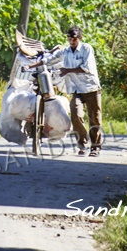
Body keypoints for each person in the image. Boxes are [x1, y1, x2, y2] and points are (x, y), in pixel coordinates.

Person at [27, 26, 102, 157]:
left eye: (74, 39)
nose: (72, 41)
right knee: (76, 115)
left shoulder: (86, 49)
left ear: (80, 38)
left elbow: (86, 68)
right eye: (69, 38)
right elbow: (49, 60)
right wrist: (30, 66)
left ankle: (95, 147)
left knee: (94, 119)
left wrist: (67, 70)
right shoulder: (65, 51)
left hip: (91, 88)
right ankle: (83, 145)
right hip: (76, 89)